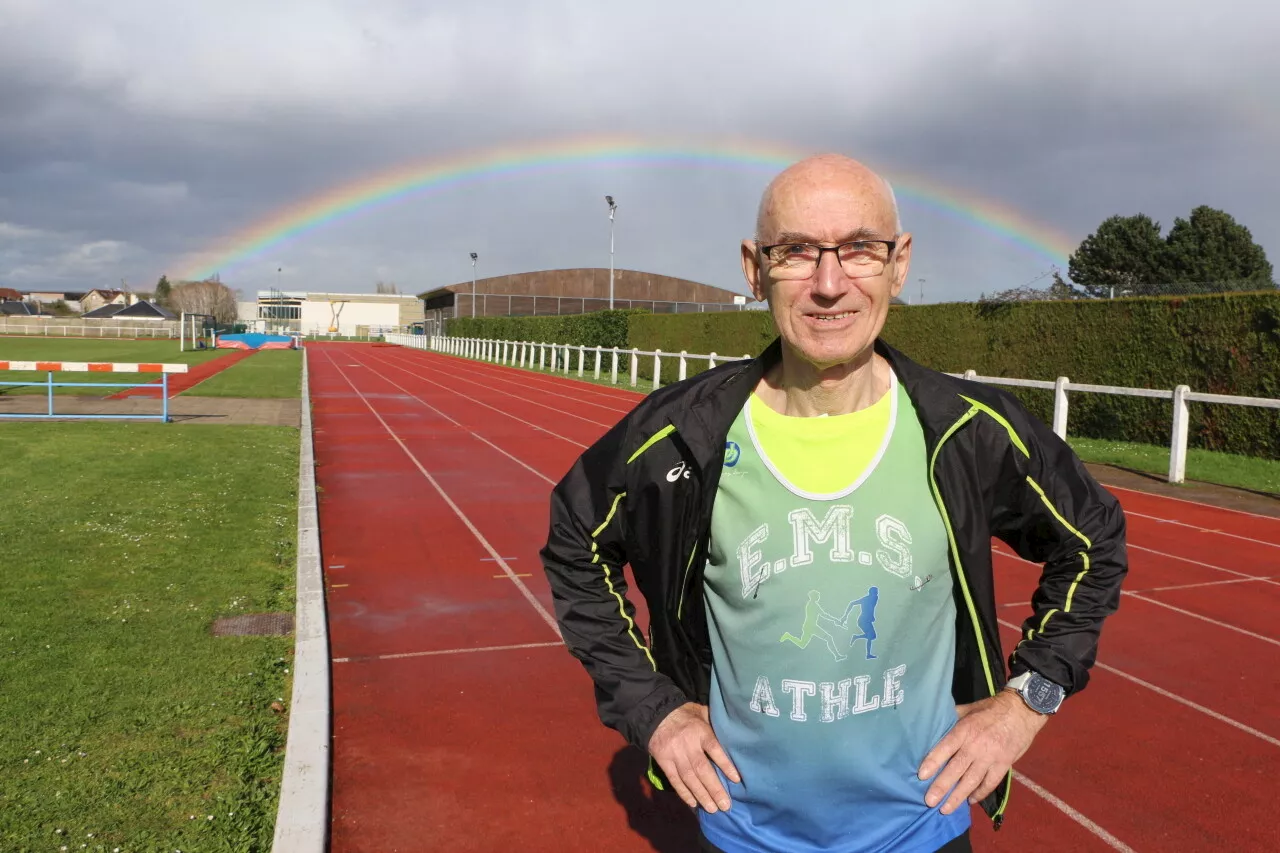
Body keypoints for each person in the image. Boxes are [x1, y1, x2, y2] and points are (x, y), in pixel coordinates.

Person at [540, 154, 1128, 853]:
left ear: (898, 263)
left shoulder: (967, 430)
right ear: (754, 269)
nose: (828, 283)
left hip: (923, 827)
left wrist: (1026, 704)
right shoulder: (679, 436)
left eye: (858, 249)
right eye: (795, 252)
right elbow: (576, 538)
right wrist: (654, 711)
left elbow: (1093, 539)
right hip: (741, 832)